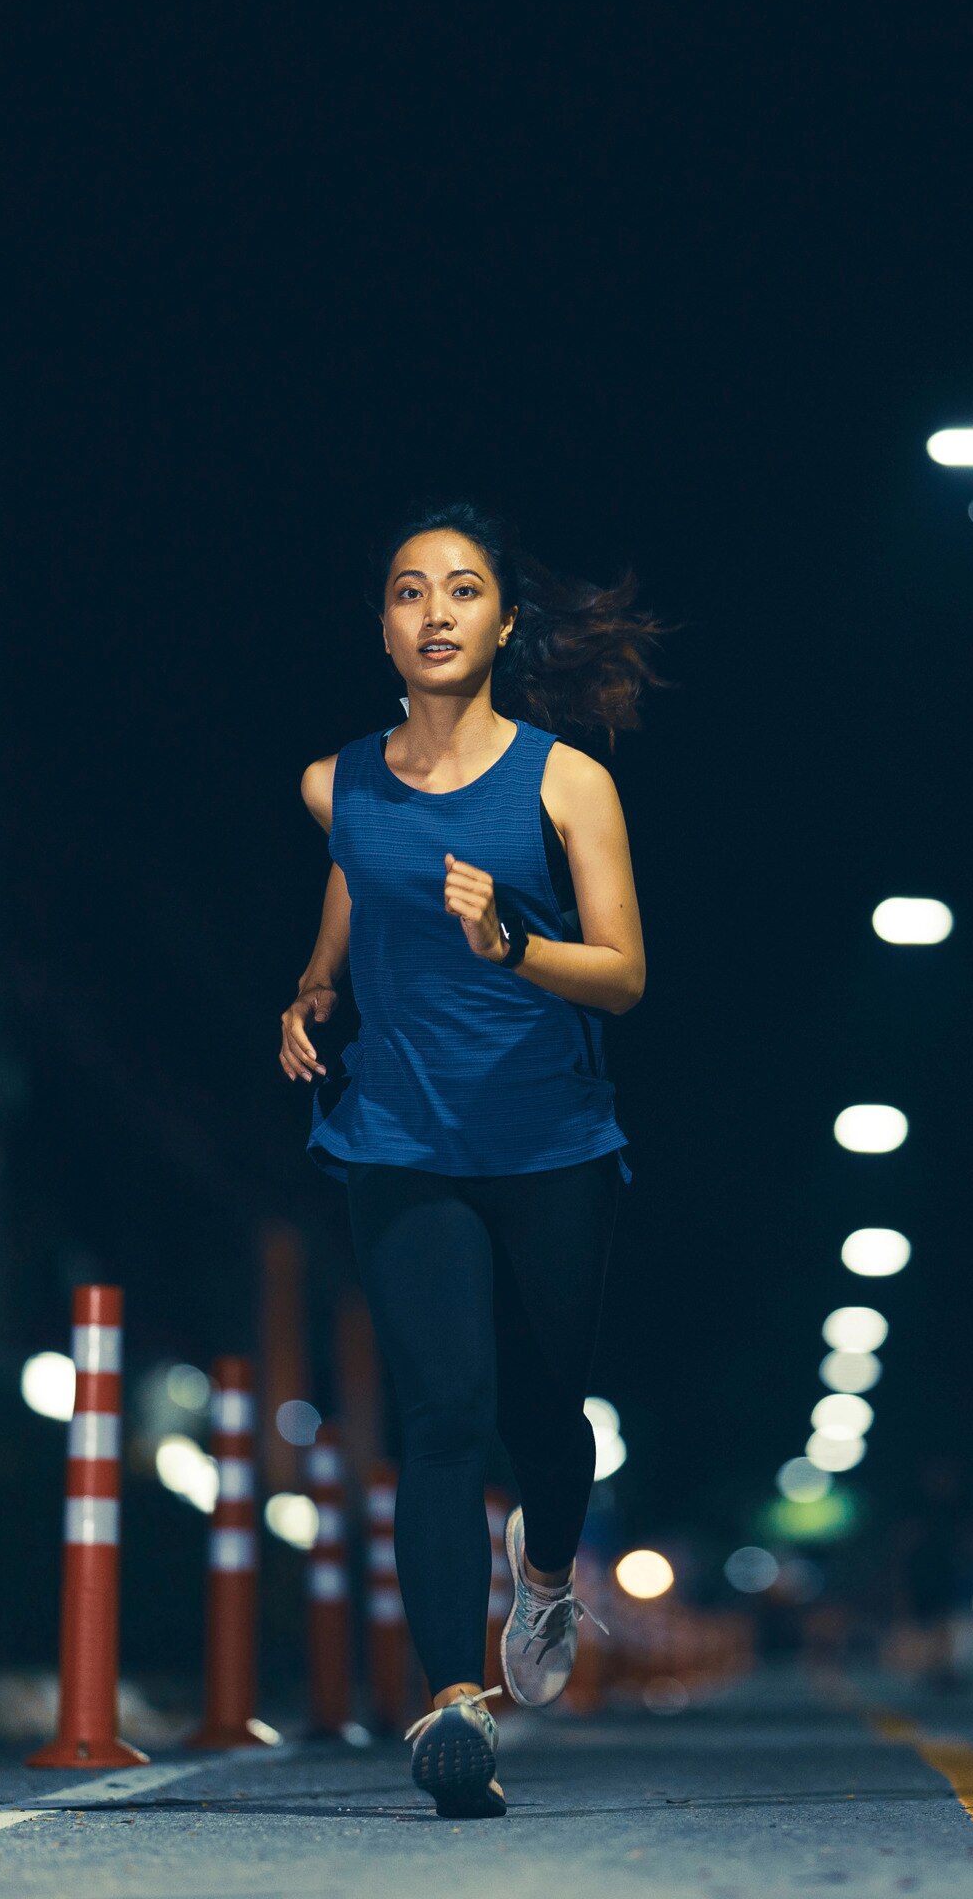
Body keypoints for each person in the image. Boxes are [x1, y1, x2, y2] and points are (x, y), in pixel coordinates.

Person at [278, 504, 661, 1817]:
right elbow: (358, 878)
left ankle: (543, 1571)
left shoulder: (565, 783)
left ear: (504, 623)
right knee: (439, 1413)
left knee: (543, 1416)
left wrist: (513, 949)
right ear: (382, 626)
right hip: (401, 1133)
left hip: (550, 1137)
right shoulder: (339, 782)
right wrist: (318, 985)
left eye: (462, 591)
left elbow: (623, 975)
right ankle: (453, 1704)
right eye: (406, 591)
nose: (434, 611)